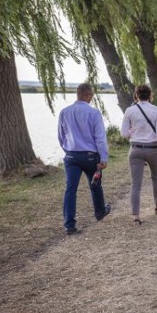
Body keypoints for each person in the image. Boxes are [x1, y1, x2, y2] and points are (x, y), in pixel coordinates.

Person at [57, 83, 112, 235]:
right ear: (87, 95)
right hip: (90, 157)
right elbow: (100, 138)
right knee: (95, 184)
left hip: (71, 156)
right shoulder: (94, 113)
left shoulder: (64, 112)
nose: (92, 99)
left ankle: (69, 225)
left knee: (70, 189)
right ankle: (100, 212)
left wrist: (68, 151)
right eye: (92, 96)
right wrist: (104, 157)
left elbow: (61, 137)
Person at [121, 85, 157, 225]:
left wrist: (133, 132)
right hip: (153, 149)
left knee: (136, 184)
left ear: (136, 95)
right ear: (150, 95)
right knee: (156, 178)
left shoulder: (129, 111)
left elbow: (124, 133)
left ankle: (136, 215)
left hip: (135, 149)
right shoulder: (156, 110)